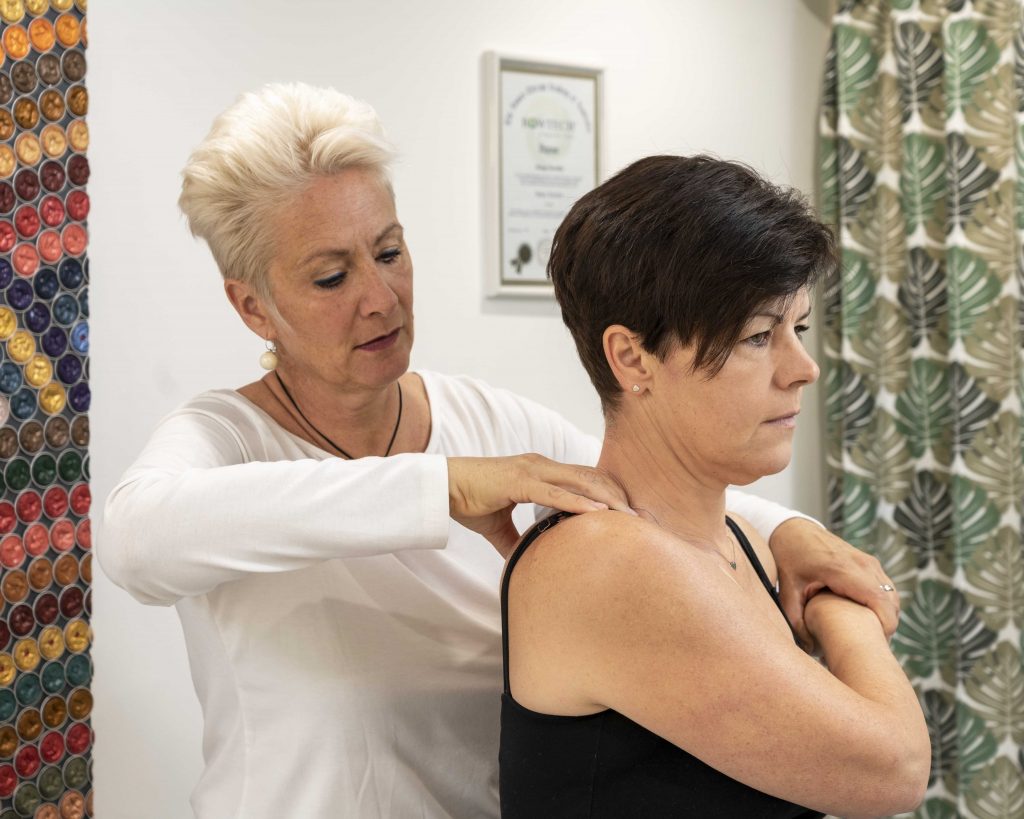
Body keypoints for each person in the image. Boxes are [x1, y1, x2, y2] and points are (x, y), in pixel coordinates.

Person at [100, 84, 902, 819]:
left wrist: (792, 532)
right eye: (331, 277)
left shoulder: (480, 420)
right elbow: (135, 539)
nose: (379, 298)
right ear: (253, 307)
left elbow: (658, 480)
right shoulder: (227, 439)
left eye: (389, 252)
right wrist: (443, 487)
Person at [499, 155, 930, 819]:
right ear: (632, 357)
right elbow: (893, 769)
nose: (804, 368)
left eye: (798, 329)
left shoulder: (742, 540)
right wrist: (841, 610)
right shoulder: (603, 562)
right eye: (758, 336)